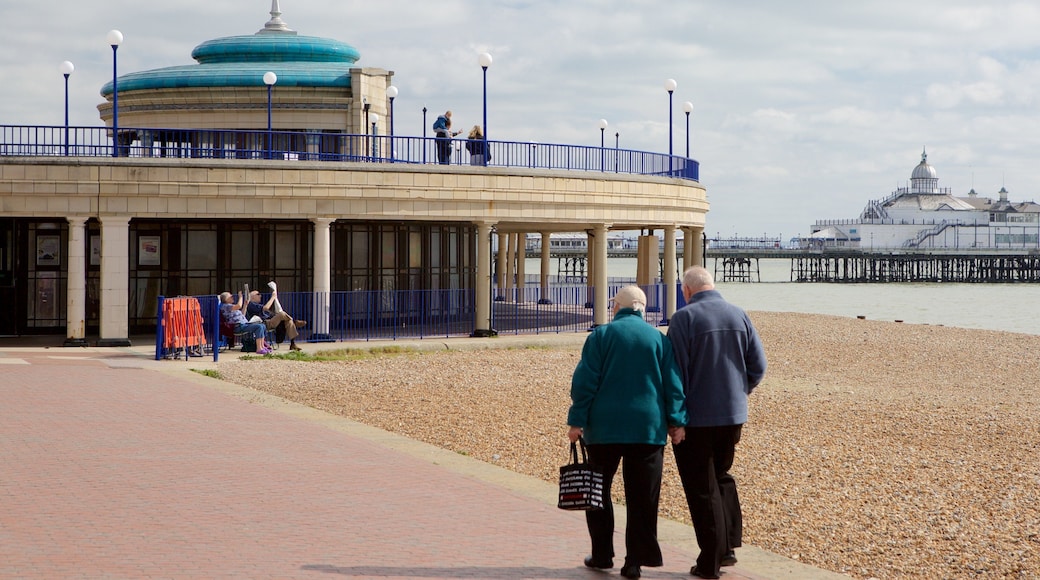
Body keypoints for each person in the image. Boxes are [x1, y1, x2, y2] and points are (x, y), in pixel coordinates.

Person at [566, 285, 687, 580]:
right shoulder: (658, 339)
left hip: (604, 427)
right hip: (647, 429)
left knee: (598, 491)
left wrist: (576, 420)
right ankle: (634, 561)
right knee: (642, 496)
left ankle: (602, 554)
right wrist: (677, 422)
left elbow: (585, 381)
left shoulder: (601, 336)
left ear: (617, 307)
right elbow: (673, 385)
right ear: (642, 309)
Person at [666, 266, 767, 579]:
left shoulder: (684, 319)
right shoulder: (738, 314)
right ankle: (727, 548)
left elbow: (675, 375)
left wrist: (675, 420)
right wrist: (739, 392)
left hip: (697, 419)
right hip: (732, 415)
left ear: (687, 291)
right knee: (721, 476)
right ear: (712, 285)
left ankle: (710, 562)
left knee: (702, 488)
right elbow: (758, 366)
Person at [245, 284, 306, 351]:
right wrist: (273, 297)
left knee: (289, 321)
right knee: (281, 314)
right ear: (252, 297)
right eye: (258, 294)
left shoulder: (258, 305)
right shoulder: (251, 304)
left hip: (269, 320)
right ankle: (295, 321)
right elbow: (266, 308)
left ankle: (292, 343)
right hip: (263, 323)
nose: (260, 295)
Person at [219, 290, 271, 355]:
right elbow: (239, 306)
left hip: (243, 324)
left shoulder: (231, 307)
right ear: (225, 299)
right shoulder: (225, 306)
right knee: (259, 327)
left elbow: (242, 315)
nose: (232, 297)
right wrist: (240, 297)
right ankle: (259, 348)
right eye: (230, 296)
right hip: (238, 326)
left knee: (262, 325)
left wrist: (245, 304)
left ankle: (262, 347)